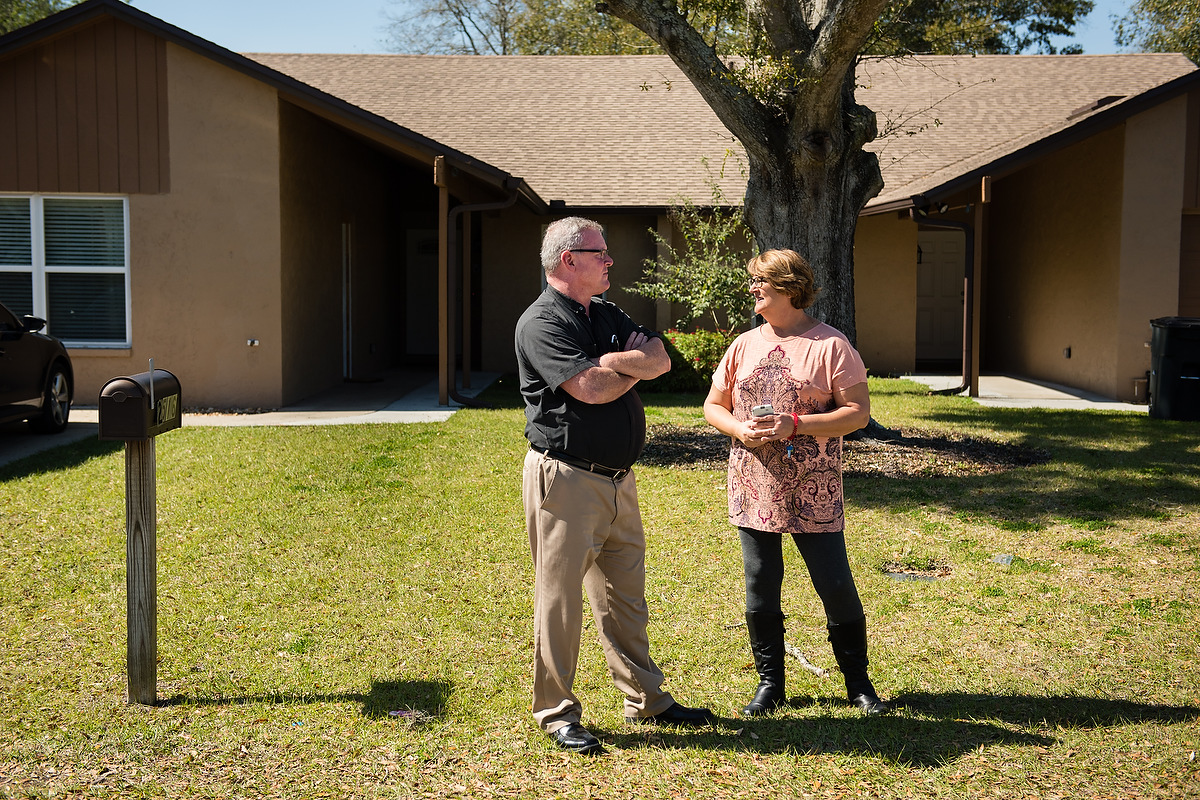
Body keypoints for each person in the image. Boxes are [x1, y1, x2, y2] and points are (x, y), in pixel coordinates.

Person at [515, 217, 715, 755]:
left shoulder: (604, 312)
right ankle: (556, 712)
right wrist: (626, 367)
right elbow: (591, 389)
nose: (609, 261)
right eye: (598, 253)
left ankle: (646, 699)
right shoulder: (541, 322)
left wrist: (612, 362)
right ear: (567, 260)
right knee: (560, 602)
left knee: (624, 595)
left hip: (619, 480)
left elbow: (661, 358)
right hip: (566, 480)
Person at [702, 248, 891, 717]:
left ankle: (859, 684)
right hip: (755, 482)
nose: (752, 288)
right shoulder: (743, 345)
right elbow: (713, 405)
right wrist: (737, 428)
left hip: (814, 486)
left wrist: (796, 424)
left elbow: (858, 414)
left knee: (833, 581)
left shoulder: (831, 346)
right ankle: (770, 684)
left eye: (760, 281)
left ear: (788, 287)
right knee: (760, 580)